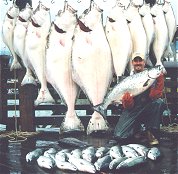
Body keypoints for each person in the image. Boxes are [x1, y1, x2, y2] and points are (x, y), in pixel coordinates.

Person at [114, 56, 166, 145]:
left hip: (147, 108)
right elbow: (127, 107)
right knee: (119, 136)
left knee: (158, 103)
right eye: (135, 61)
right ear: (132, 63)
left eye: (140, 61)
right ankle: (136, 131)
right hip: (132, 110)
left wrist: (159, 82)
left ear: (144, 62)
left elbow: (154, 96)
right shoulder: (128, 79)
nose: (138, 63)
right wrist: (127, 101)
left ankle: (150, 132)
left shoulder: (151, 77)